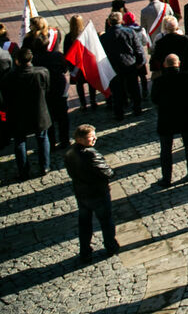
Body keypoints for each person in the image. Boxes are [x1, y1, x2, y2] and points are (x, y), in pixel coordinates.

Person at [64, 124, 119, 264]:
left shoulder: (70, 152)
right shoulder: (91, 154)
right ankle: (111, 246)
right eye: (91, 136)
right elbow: (107, 172)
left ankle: (85, 252)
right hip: (97, 193)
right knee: (106, 222)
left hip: (81, 194)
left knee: (84, 224)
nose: (95, 138)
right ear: (80, 139)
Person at [2, 48, 52, 179]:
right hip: (39, 112)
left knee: (19, 142)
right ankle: (45, 166)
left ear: (17, 61)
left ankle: (23, 170)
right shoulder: (42, 72)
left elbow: (6, 98)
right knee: (42, 138)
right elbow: (47, 89)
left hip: (18, 115)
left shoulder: (9, 77)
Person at [150, 54, 188, 186]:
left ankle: (166, 178)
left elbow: (154, 99)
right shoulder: (187, 78)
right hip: (185, 115)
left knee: (166, 150)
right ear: (179, 63)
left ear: (164, 64)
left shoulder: (159, 81)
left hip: (166, 117)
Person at [100, 11, 145, 119]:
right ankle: (137, 108)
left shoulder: (104, 37)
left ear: (109, 23)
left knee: (117, 91)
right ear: (121, 21)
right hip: (129, 64)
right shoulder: (130, 32)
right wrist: (140, 62)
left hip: (113, 67)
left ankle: (119, 112)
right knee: (134, 88)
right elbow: (138, 48)